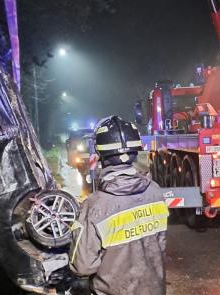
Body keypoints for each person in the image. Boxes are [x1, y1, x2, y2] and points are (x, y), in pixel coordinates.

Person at [69, 116, 169, 295]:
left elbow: (82, 267)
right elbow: (160, 244)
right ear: (135, 152)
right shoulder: (155, 192)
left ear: (101, 156)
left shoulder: (94, 206)